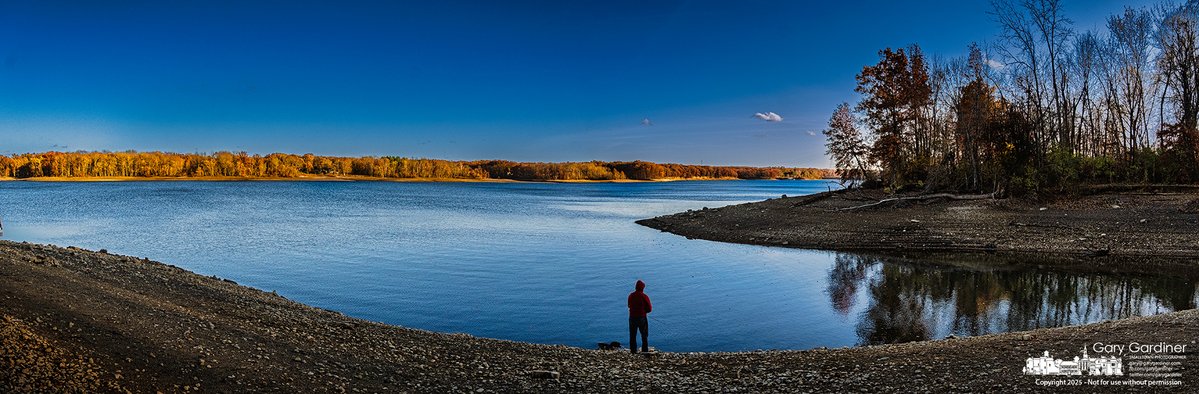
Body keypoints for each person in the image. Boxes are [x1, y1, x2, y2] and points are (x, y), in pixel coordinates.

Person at [627, 279, 652, 354]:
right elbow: (649, 308)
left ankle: (633, 351)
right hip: (642, 318)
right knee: (644, 335)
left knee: (632, 335)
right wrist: (644, 312)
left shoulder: (631, 295)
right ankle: (644, 350)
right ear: (642, 288)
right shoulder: (644, 296)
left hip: (632, 318)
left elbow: (629, 305)